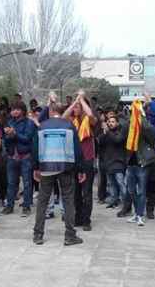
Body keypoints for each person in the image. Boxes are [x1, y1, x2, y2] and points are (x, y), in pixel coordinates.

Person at [32, 101, 85, 246]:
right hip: (65, 167)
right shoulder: (69, 126)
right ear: (62, 112)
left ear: (50, 111)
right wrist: (80, 169)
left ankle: (38, 235)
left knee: (42, 201)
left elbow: (35, 148)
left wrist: (35, 168)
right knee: (68, 200)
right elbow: (77, 149)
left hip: (46, 167)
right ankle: (70, 235)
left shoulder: (42, 126)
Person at [63, 90, 97, 231]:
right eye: (74, 107)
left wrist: (82, 99)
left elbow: (90, 114)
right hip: (74, 161)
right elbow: (64, 116)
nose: (75, 109)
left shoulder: (88, 121)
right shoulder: (72, 121)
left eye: (77, 107)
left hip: (87, 160)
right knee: (75, 191)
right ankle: (77, 218)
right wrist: (73, 103)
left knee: (87, 192)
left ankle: (87, 220)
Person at [122, 98, 155, 226]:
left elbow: (151, 133)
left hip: (142, 162)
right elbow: (123, 132)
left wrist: (141, 117)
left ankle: (140, 215)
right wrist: (131, 118)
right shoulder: (128, 125)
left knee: (141, 191)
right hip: (131, 162)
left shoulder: (146, 124)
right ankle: (136, 213)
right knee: (131, 190)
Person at [2, 102, 36, 216]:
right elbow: (5, 140)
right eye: (13, 109)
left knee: (27, 183)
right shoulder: (9, 122)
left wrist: (14, 133)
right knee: (11, 183)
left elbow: (27, 138)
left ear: (23, 110)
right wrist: (8, 136)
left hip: (25, 157)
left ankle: (26, 206)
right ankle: (9, 206)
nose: (14, 112)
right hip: (12, 157)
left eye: (17, 109)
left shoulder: (29, 123)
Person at [98, 115, 127, 209]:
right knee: (111, 184)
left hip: (118, 162)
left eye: (113, 122)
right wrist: (104, 132)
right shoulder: (107, 133)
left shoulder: (120, 132)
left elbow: (117, 140)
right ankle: (114, 201)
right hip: (108, 163)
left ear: (117, 123)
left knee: (121, 183)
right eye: (109, 122)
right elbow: (99, 141)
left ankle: (126, 203)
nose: (110, 123)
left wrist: (108, 131)